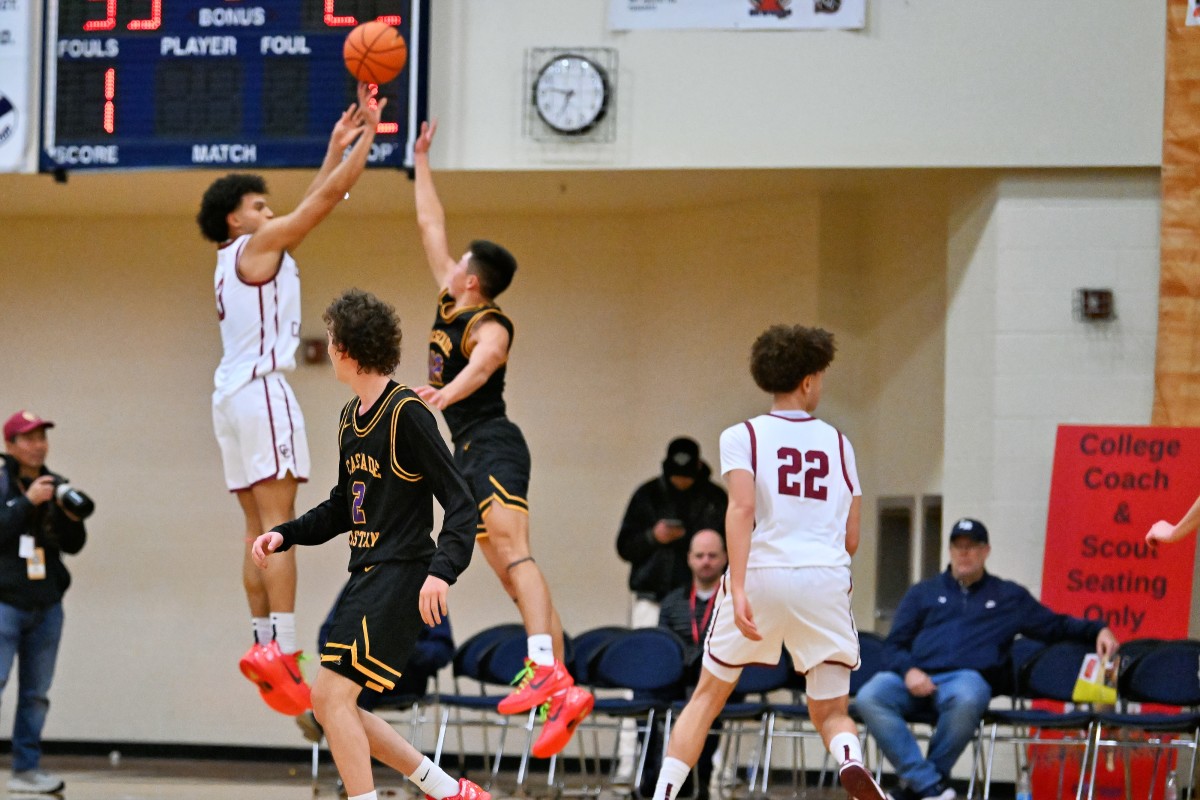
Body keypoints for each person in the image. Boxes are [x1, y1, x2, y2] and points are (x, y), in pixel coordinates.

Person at [252, 288, 485, 800]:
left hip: (401, 573)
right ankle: (450, 791)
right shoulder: (348, 418)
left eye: (333, 339)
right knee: (336, 705)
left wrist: (442, 571)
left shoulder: (407, 414)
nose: (329, 347)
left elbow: (462, 502)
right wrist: (285, 533)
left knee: (330, 698)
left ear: (348, 349)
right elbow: (342, 506)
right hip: (366, 575)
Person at [197, 83, 385, 712]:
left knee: (255, 527)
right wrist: (365, 142)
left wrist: (332, 147)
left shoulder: (235, 257)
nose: (270, 210)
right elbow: (327, 199)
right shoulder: (260, 246)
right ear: (236, 217)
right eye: (259, 203)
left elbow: (309, 199)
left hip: (229, 395)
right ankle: (286, 649)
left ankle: (261, 644)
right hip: (260, 391)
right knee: (279, 529)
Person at [410, 118, 591, 758]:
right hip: (465, 453)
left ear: (474, 280)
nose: (451, 260)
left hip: (492, 442)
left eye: (461, 262)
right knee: (513, 581)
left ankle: (545, 666)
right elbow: (431, 225)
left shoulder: (490, 322)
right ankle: (560, 692)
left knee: (518, 556)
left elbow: (484, 365)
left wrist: (441, 395)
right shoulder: (450, 300)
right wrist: (421, 162)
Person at [650, 323, 888, 800]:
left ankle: (664, 796)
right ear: (807, 381)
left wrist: (737, 587)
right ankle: (850, 761)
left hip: (762, 574)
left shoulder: (743, 436)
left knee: (706, 699)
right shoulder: (840, 443)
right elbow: (853, 537)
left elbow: (739, 510)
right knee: (832, 710)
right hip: (824, 576)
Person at [855, 518, 1120, 800]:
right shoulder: (923, 593)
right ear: (950, 550)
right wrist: (909, 672)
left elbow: (1055, 626)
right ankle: (929, 785)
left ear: (986, 551)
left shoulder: (1008, 597)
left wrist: (1097, 629)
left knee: (969, 694)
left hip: (965, 680)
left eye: (972, 546)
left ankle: (918, 788)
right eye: (958, 546)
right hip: (916, 677)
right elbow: (893, 645)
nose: (964, 553)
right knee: (870, 694)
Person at [0, 411, 89, 795]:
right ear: (10, 445)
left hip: (46, 605)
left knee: (36, 694)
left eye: (42, 438)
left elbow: (73, 544)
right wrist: (25, 503)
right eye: (28, 438)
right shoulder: (2, 483)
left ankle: (26, 769)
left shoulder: (56, 485)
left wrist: (67, 516)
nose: (38, 445)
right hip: (4, 603)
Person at [640, 529, 728, 800]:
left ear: (725, 558)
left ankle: (701, 780)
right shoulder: (672, 602)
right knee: (645, 696)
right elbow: (664, 647)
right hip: (676, 680)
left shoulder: (732, 602)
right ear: (689, 559)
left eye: (712, 555)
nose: (705, 561)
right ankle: (652, 779)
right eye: (699, 555)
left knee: (707, 700)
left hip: (717, 682)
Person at [617, 437, 728, 627]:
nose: (682, 481)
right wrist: (653, 537)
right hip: (652, 596)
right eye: (677, 476)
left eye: (687, 476)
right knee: (647, 648)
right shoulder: (647, 495)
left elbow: (730, 546)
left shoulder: (715, 499)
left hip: (705, 597)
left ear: (698, 467)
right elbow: (624, 547)